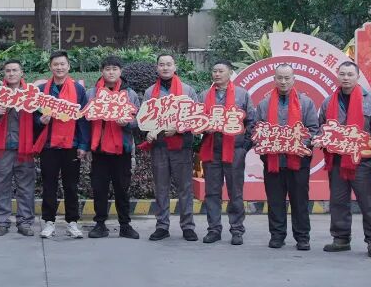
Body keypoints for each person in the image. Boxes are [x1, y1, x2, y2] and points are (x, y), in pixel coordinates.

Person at [319, 61, 371, 258]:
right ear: (337, 76)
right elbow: (323, 128)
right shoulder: (328, 101)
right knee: (338, 201)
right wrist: (322, 140)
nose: (346, 78)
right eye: (342, 74)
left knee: (368, 203)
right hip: (337, 160)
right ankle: (341, 239)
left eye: (350, 74)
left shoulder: (370, 101)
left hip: (363, 163)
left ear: (357, 77)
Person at [256, 64, 320, 250]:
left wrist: (296, 144)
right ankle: (277, 235)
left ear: (294, 79)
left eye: (287, 78)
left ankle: (302, 238)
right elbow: (257, 130)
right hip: (273, 161)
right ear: (274, 79)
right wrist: (267, 143)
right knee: (275, 200)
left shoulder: (306, 103)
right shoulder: (264, 104)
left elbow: (313, 130)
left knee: (299, 201)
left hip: (298, 162)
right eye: (280, 78)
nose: (283, 82)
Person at [198, 61, 256, 245]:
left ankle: (237, 230)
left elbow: (252, 121)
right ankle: (214, 229)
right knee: (211, 192)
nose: (217, 74)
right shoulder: (204, 95)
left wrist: (245, 146)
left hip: (235, 149)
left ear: (230, 73)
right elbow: (196, 120)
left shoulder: (242, 94)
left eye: (221, 71)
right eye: (214, 71)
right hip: (212, 149)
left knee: (235, 192)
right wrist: (203, 128)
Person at [144, 53, 201, 242]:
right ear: (157, 68)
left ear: (175, 67)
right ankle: (162, 226)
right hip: (159, 147)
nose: (165, 68)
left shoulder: (187, 91)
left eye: (169, 64)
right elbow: (145, 119)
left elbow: (195, 118)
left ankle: (188, 226)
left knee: (185, 188)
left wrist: (178, 129)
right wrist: (149, 132)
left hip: (181, 147)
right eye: (161, 64)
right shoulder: (150, 92)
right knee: (161, 188)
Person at [35, 51, 90, 239]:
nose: (59, 67)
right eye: (56, 64)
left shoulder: (78, 90)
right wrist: (41, 121)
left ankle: (72, 222)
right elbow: (33, 117)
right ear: (50, 67)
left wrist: (83, 145)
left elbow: (83, 119)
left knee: (71, 186)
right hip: (49, 146)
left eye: (62, 64)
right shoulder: (42, 90)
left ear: (68, 66)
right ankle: (48, 222)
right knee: (48, 185)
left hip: (71, 145)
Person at [86, 56, 141, 239]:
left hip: (122, 149)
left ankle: (125, 225)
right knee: (99, 188)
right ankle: (100, 224)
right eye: (107, 69)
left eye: (114, 69)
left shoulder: (130, 94)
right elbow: (84, 120)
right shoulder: (91, 93)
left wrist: (127, 123)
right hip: (99, 149)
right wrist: (85, 146)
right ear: (102, 71)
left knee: (122, 188)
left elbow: (139, 120)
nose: (111, 72)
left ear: (120, 71)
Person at [0, 59, 38, 237]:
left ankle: (25, 222)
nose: (11, 73)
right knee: (0, 186)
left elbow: (38, 121)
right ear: (4, 74)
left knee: (26, 188)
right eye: (8, 71)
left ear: (22, 73)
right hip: (2, 148)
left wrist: (43, 120)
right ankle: (1, 222)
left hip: (25, 148)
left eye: (15, 70)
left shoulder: (32, 94)